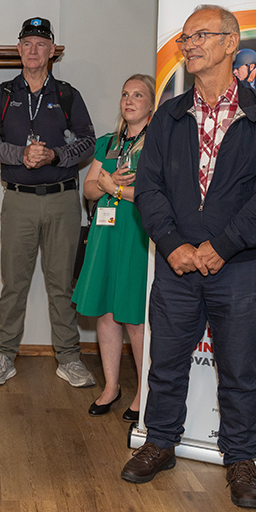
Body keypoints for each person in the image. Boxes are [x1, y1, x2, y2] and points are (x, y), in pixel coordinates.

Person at [120, 5, 256, 510]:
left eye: (200, 35)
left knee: (239, 370)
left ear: (231, 42)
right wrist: (173, 245)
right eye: (185, 37)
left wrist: (223, 246)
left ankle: (240, 459)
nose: (189, 45)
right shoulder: (170, 116)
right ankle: (159, 442)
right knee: (166, 364)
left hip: (240, 268)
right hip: (176, 266)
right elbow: (149, 189)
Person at [0, 17, 96, 388]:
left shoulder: (67, 95)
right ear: (19, 49)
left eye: (41, 44)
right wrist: (21, 155)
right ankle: (3, 356)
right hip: (18, 202)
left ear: (52, 51)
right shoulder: (3, 94)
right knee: (14, 284)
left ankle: (69, 358)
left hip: (62, 201)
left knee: (62, 285)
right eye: (27, 43)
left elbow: (88, 142)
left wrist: (54, 156)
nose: (33, 50)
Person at [72, 74, 154, 419]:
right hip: (105, 234)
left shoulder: (158, 143)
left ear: (152, 105)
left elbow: (155, 195)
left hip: (138, 236)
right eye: (125, 94)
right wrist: (106, 186)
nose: (129, 100)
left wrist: (115, 189)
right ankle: (111, 387)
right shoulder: (108, 143)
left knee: (133, 315)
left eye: (138, 95)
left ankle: (144, 393)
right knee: (106, 312)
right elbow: (89, 189)